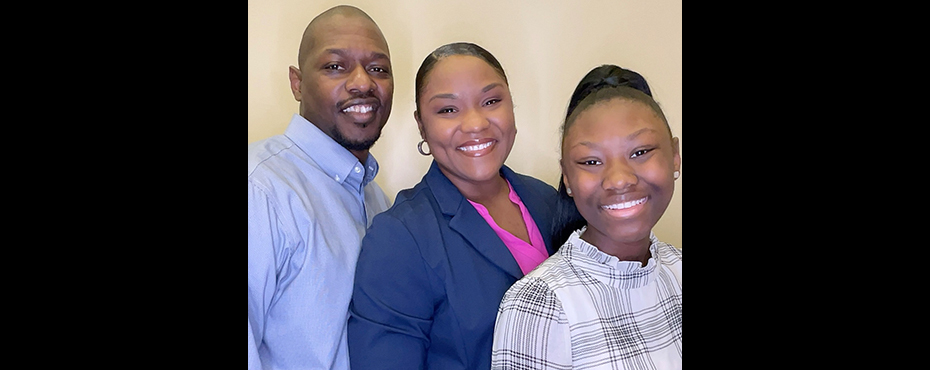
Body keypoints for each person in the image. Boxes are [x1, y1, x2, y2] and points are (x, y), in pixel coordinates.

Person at [347, 42, 559, 370]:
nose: (475, 123)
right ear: (422, 125)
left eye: (491, 101)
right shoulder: (399, 237)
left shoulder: (548, 201)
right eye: (448, 110)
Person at [491, 65, 682, 369]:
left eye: (640, 151)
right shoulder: (541, 303)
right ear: (567, 178)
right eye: (591, 161)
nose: (619, 179)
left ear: (675, 156)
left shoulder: (678, 269)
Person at [247, 5, 394, 370]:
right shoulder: (260, 189)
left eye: (378, 68)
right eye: (334, 66)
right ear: (297, 83)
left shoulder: (379, 201)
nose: (363, 82)